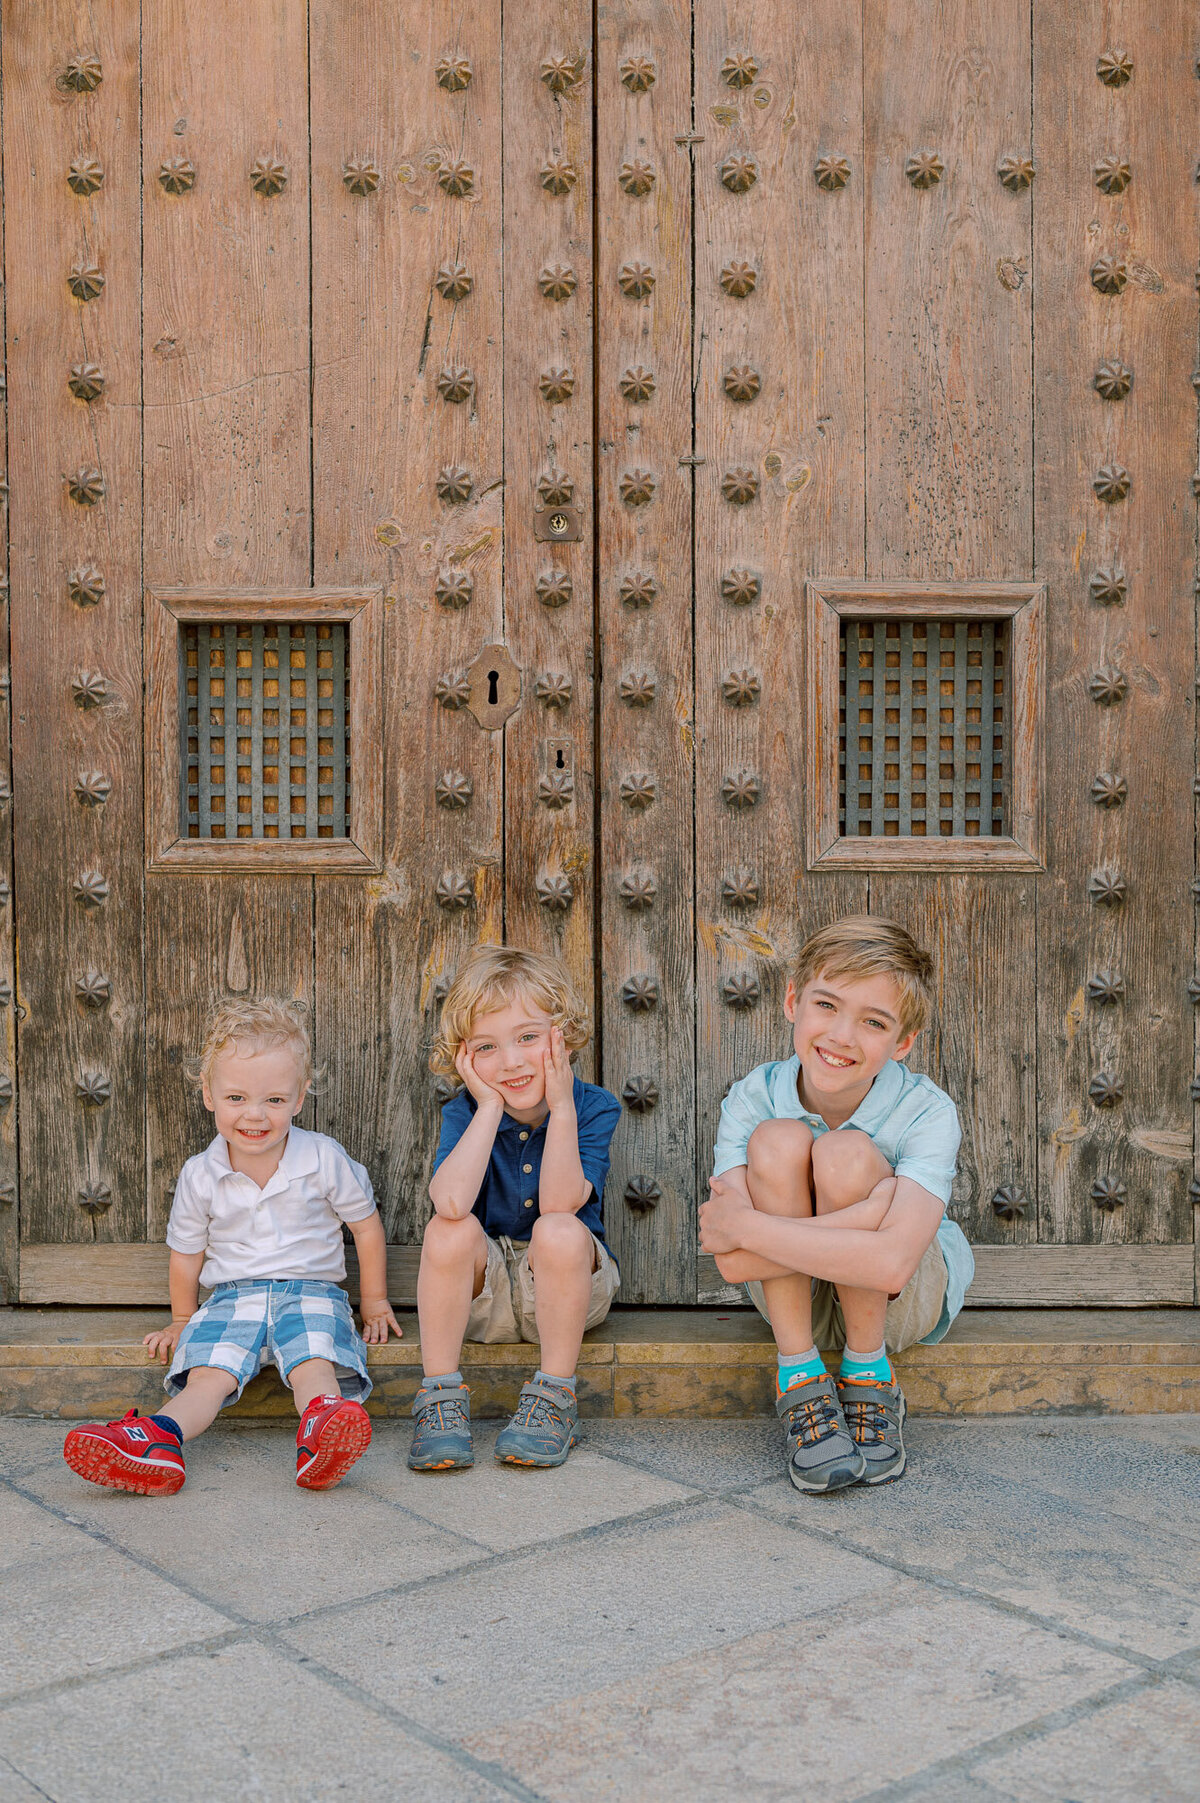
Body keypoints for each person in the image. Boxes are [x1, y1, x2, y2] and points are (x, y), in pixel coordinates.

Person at [62, 998, 400, 1496]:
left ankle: (322, 1433)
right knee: (207, 1377)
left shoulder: (323, 1158)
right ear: (209, 1095)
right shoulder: (202, 1174)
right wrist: (182, 1318)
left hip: (310, 1291)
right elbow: (187, 1252)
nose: (255, 1115)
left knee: (313, 1364)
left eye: (275, 1100)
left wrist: (372, 1301)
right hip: (231, 1297)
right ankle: (157, 1440)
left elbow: (365, 1227)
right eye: (237, 1098)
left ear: (301, 1097)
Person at [699, 916, 974, 1493]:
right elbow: (731, 1263)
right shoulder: (754, 1097)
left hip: (900, 1306)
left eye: (873, 1022)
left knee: (847, 1155)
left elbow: (892, 1266)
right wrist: (874, 1213)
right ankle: (799, 1377)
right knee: (776, 1142)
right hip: (792, 1305)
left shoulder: (927, 1110)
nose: (843, 1036)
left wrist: (751, 1227)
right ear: (794, 1001)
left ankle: (870, 1375)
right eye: (827, 1005)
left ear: (902, 1043)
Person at [409, 945, 621, 1473]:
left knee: (558, 1230)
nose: (511, 1061)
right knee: (446, 1230)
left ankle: (554, 1397)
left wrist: (564, 1104)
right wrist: (488, 1108)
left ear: (563, 1035)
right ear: (464, 1059)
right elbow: (452, 1201)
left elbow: (559, 1202)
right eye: (487, 1047)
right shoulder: (466, 1111)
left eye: (528, 1037)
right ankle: (439, 1398)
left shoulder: (593, 1107)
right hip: (488, 1299)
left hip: (570, 1291)